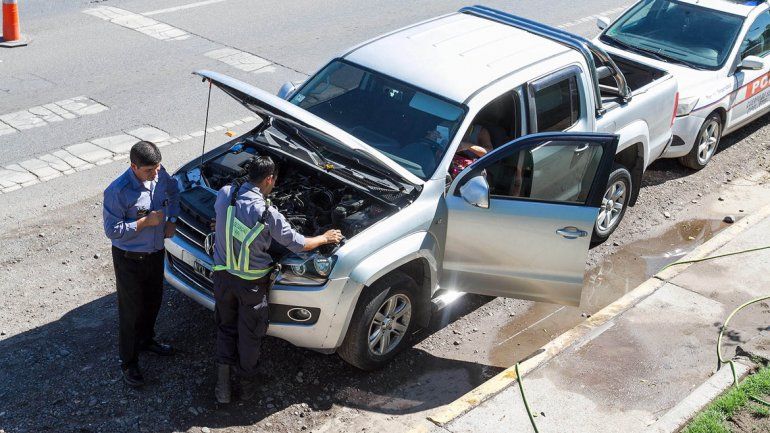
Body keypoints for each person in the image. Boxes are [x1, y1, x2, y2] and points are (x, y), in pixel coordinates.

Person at [212, 156, 343, 404]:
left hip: (223, 278)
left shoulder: (225, 194)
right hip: (251, 285)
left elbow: (221, 220)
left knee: (225, 328)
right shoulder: (267, 213)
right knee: (249, 334)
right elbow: (299, 245)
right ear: (269, 179)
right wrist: (325, 238)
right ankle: (247, 386)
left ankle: (223, 389)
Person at [102, 141, 179, 387]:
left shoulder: (159, 175)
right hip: (130, 260)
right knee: (130, 312)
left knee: (154, 301)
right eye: (149, 170)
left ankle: (147, 340)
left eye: (157, 168)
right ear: (134, 166)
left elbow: (174, 191)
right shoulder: (118, 191)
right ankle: (129, 362)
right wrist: (145, 222)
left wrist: (172, 220)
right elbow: (112, 231)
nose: (155, 174)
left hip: (155, 254)